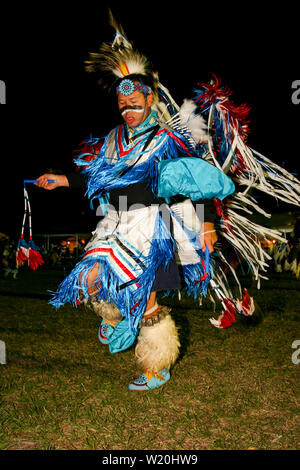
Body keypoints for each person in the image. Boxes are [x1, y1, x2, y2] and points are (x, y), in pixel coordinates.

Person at [36, 11, 300, 389]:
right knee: (91, 279)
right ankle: (115, 318)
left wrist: (207, 224)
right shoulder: (113, 139)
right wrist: (61, 180)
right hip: (115, 221)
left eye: (134, 99)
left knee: (147, 301)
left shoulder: (166, 141)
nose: (127, 106)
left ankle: (156, 366)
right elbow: (97, 176)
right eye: (121, 101)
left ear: (149, 98)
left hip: (151, 226)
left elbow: (196, 183)